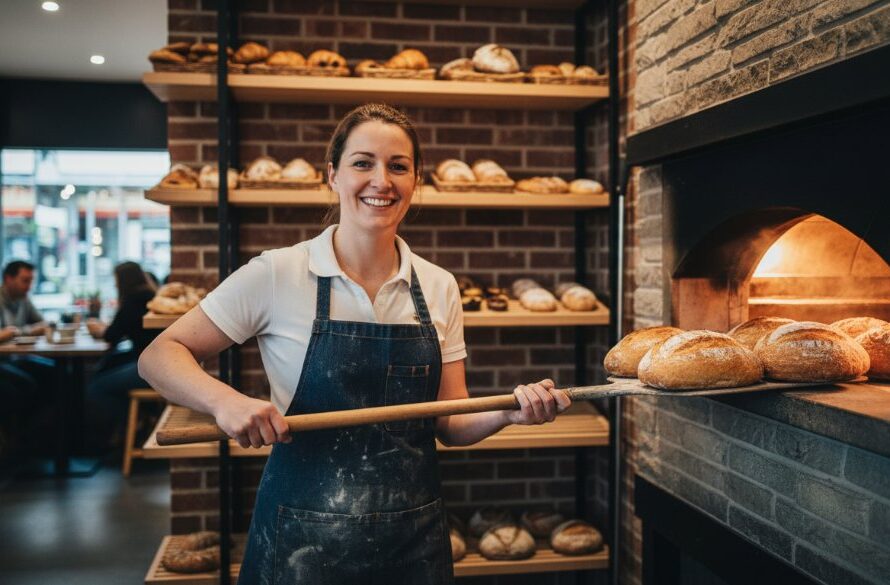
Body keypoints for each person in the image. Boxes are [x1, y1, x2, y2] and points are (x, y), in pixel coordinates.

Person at [139, 103, 572, 583]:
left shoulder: (438, 286)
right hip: (302, 541)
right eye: (363, 163)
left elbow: (450, 420)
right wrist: (225, 402)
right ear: (333, 176)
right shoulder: (278, 273)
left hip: (412, 540)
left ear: (415, 180)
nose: (381, 180)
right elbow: (159, 355)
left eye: (398, 166)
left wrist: (510, 411)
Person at [85, 262, 159, 445]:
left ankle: (136, 420)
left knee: (96, 387)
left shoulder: (133, 301)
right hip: (157, 363)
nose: (115, 285)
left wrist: (98, 330)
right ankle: (141, 419)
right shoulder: (150, 296)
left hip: (150, 368)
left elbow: (112, 335)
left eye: (116, 280)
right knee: (106, 368)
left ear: (123, 281)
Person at [0, 260, 53, 460]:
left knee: (55, 373)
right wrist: (24, 331)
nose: (29, 286)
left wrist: (16, 332)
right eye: (25, 280)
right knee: (25, 384)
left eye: (31, 281)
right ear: (8, 279)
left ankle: (38, 439)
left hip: (15, 359)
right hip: (3, 362)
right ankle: (19, 442)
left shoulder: (23, 299)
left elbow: (42, 323)